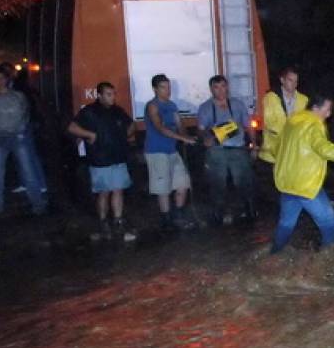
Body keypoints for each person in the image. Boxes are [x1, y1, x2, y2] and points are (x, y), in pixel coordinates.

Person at [270, 92, 334, 253]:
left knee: (286, 224)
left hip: (286, 183)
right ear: (316, 108)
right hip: (306, 186)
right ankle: (327, 260)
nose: (329, 114)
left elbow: (276, 148)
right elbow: (324, 149)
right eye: (327, 109)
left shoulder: (292, 121)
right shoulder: (314, 124)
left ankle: (273, 255)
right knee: (329, 223)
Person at [67, 82, 137, 241]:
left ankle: (118, 220)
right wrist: (89, 135)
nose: (112, 97)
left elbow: (131, 124)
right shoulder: (90, 111)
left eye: (113, 94)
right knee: (104, 192)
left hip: (118, 156)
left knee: (118, 189)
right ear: (99, 95)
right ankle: (103, 222)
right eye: (108, 94)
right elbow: (72, 127)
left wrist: (125, 135)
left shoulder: (117, 111)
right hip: (100, 158)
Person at [0, 64, 46, 216]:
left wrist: (21, 129)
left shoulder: (18, 96)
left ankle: (38, 204)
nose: (0, 81)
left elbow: (26, 113)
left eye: (2, 77)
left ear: (7, 79)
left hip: (18, 137)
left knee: (28, 170)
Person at [196, 74, 256, 226]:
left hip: (237, 149)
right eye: (216, 87)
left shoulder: (237, 104)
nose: (221, 90)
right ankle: (218, 215)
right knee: (217, 184)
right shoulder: (205, 107)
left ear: (227, 87)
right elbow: (201, 129)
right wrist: (206, 138)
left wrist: (254, 144)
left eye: (223, 86)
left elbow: (248, 126)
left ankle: (249, 212)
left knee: (244, 181)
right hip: (217, 151)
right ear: (211, 89)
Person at [143, 73, 198, 230]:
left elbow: (179, 123)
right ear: (155, 89)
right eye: (163, 87)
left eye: (169, 87)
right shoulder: (152, 106)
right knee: (163, 188)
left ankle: (178, 215)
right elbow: (160, 127)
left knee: (182, 183)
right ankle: (166, 220)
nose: (167, 90)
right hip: (156, 151)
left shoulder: (172, 105)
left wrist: (187, 136)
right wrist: (182, 138)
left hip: (172, 151)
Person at [2, 61, 47, 195]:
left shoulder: (20, 86)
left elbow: (28, 106)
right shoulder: (11, 86)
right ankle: (25, 182)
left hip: (25, 124)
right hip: (13, 125)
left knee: (30, 154)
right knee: (19, 155)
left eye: (7, 72)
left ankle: (41, 184)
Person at [258, 66, 309, 164]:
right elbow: (269, 122)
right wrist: (291, 132)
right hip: (272, 153)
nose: (293, 84)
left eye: (296, 81)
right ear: (282, 80)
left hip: (294, 153)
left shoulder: (304, 100)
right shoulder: (270, 97)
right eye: (290, 80)